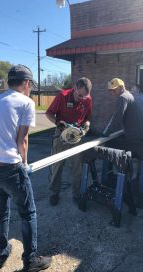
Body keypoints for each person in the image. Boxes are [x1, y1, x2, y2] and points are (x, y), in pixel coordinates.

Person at [0, 64, 52, 272]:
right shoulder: (25, 102)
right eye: (31, 85)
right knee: (27, 212)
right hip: (9, 167)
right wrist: (25, 164)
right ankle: (30, 261)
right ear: (27, 83)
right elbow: (23, 140)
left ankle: (1, 253)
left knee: (1, 212)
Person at [46, 77, 92, 206]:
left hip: (76, 135)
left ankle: (76, 194)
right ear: (75, 88)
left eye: (85, 96)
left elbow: (88, 117)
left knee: (77, 167)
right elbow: (49, 113)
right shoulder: (63, 96)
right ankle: (54, 193)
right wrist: (58, 123)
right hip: (61, 134)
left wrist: (86, 126)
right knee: (57, 165)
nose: (82, 99)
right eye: (80, 95)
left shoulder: (87, 99)